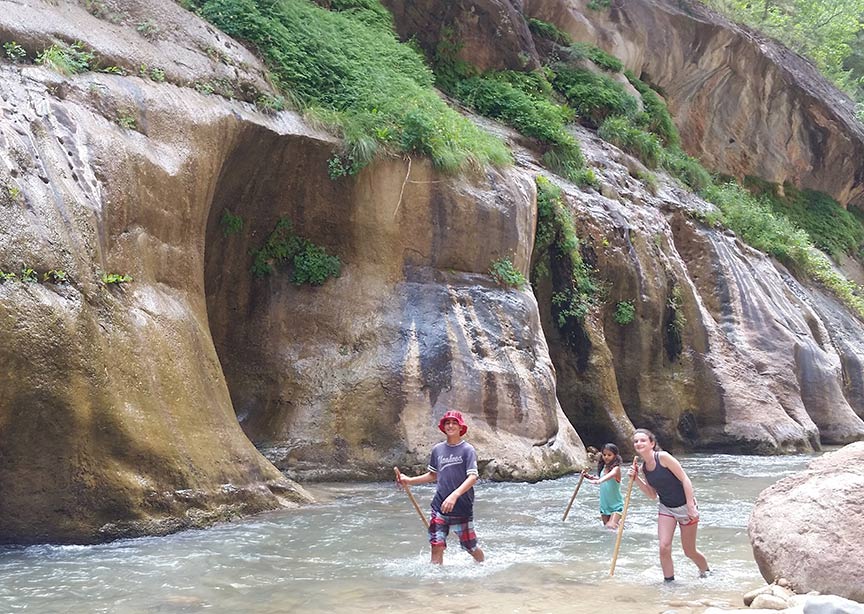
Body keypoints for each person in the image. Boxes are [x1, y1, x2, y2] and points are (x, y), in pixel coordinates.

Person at [395, 410, 485, 565]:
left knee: (470, 547)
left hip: (461, 506)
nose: (450, 426)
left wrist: (454, 495)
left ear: (460, 427)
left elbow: (473, 477)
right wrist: (409, 480)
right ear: (443, 427)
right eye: (447, 423)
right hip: (440, 505)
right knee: (436, 546)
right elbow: (433, 475)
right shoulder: (438, 449)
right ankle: (436, 586)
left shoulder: (467, 450)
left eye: (454, 423)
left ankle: (484, 566)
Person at [629, 428, 710, 582]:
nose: (639, 443)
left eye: (643, 440)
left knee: (689, 551)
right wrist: (636, 478)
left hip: (685, 506)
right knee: (663, 547)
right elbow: (652, 495)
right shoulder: (644, 469)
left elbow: (685, 479)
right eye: (636, 441)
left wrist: (691, 505)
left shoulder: (663, 458)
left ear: (652, 443)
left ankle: (706, 571)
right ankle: (669, 582)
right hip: (666, 507)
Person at [584, 443, 623, 529]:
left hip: (616, 505)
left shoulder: (616, 469)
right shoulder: (603, 468)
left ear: (615, 456)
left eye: (609, 455)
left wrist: (599, 481)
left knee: (610, 526)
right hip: (604, 505)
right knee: (607, 529)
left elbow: (609, 476)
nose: (606, 457)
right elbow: (601, 478)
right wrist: (590, 477)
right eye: (604, 455)